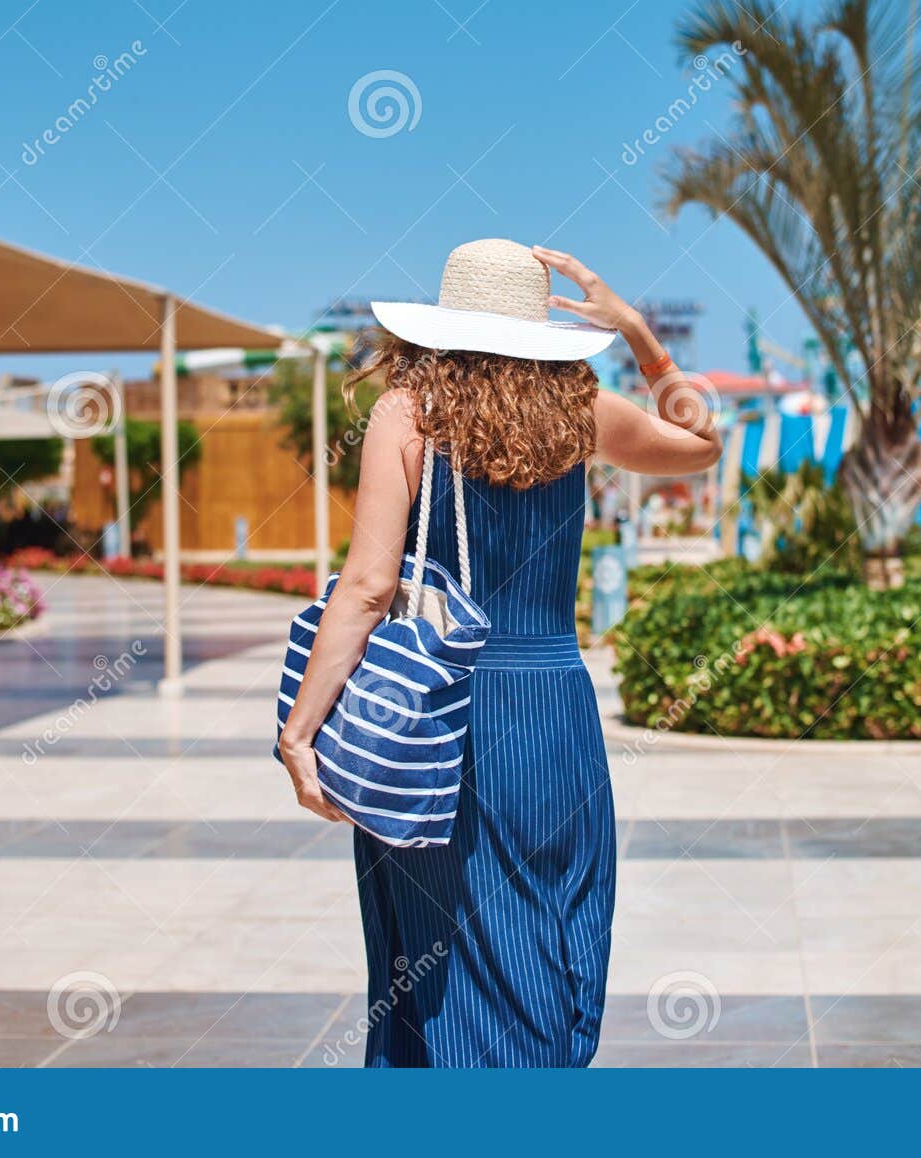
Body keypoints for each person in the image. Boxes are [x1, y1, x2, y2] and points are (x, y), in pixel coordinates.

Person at [276, 238, 721, 1067]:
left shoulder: (407, 415)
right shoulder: (583, 412)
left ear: (440, 326)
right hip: (556, 708)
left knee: (452, 963)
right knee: (548, 926)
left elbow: (369, 588)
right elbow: (700, 445)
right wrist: (638, 335)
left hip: (446, 710)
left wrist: (300, 730)